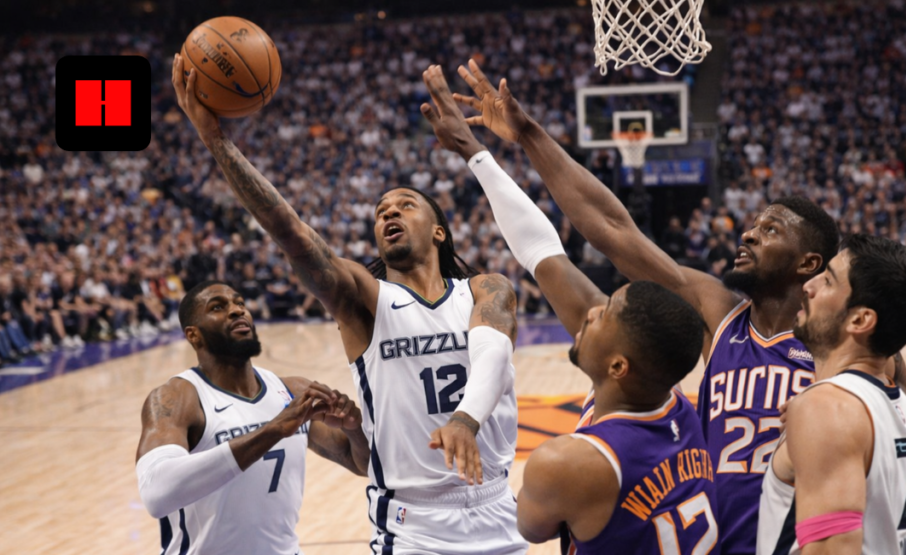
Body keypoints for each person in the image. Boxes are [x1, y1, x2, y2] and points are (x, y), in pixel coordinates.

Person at [451, 60, 906, 551]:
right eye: (752, 224)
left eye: (770, 229)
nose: (748, 235)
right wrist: (527, 134)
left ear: (809, 265)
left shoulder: (847, 352)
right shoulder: (719, 313)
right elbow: (610, 227)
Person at [172, 55, 527, 554]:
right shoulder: (365, 299)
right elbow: (292, 234)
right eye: (381, 212)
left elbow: (493, 353)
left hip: (496, 510)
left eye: (405, 204)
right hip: (412, 525)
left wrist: (465, 420)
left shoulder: (487, 290)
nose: (389, 213)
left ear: (439, 230)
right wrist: (218, 143)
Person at [420, 65, 719, 554]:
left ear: (618, 365)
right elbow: (543, 252)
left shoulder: (570, 463)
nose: (592, 311)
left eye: (606, 314)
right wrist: (476, 153)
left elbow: (530, 526)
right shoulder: (677, 409)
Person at [134, 281, 369, 554]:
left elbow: (360, 463)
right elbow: (156, 494)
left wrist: (353, 428)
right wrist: (272, 430)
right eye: (218, 307)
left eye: (240, 303)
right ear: (193, 335)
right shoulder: (176, 398)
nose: (236, 311)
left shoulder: (291, 392)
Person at [758, 235, 906, 554]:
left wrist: (816, 414)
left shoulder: (827, 409)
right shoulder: (900, 406)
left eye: (827, 280)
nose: (808, 287)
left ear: (860, 319)